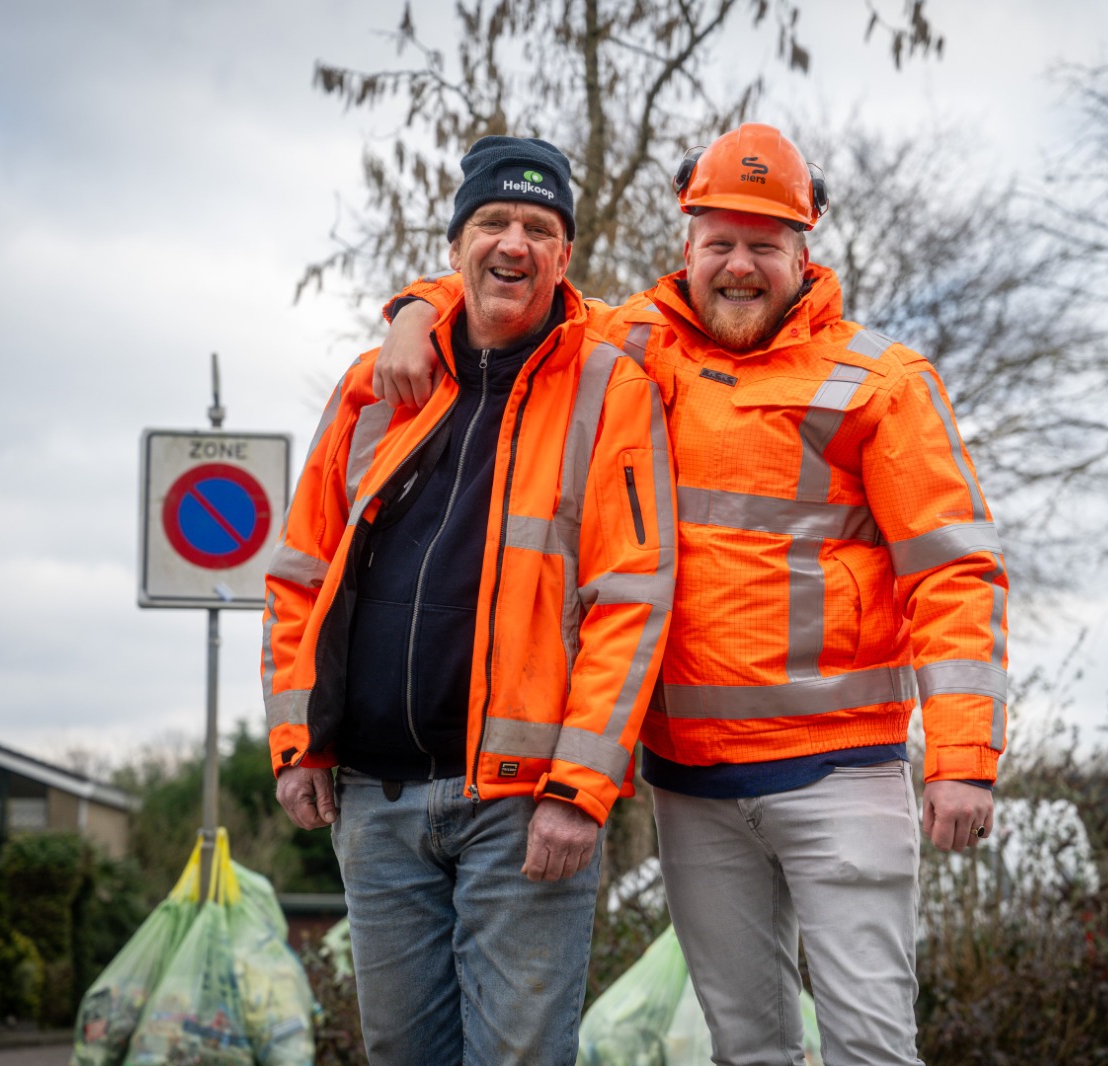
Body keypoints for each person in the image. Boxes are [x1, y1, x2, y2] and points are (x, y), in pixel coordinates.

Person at [376, 124, 1007, 1066]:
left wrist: (963, 756)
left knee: (872, 1050)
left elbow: (954, 572)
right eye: (721, 242)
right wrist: (411, 309)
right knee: (746, 1049)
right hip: (696, 787)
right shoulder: (630, 346)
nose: (740, 266)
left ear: (805, 252)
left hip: (842, 774)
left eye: (765, 245)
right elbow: (506, 286)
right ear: (688, 246)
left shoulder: (881, 381)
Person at [261, 135, 675, 1066]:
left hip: (525, 810)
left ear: (566, 257)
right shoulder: (376, 388)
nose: (513, 243)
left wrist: (582, 788)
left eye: (538, 227)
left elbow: (631, 602)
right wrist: (296, 741)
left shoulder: (612, 384)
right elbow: (298, 574)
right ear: (454, 246)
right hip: (374, 799)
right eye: (492, 221)